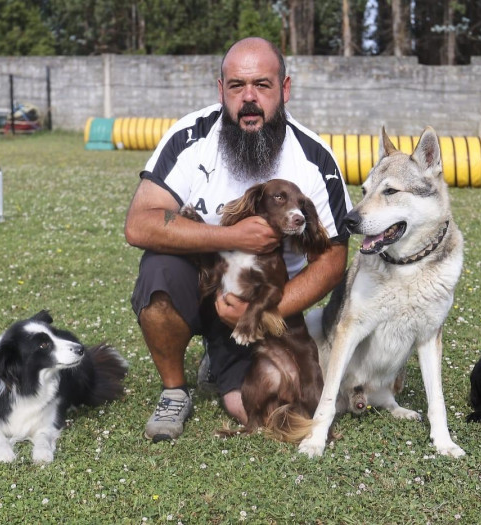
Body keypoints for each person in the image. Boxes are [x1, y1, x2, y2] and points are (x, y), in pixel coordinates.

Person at [124, 37, 353, 442]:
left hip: (267, 299)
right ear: (221, 90)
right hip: (205, 278)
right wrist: (231, 235)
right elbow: (139, 225)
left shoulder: (314, 158)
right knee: (157, 270)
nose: (249, 98)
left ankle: (219, 360)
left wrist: (264, 312)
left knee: (255, 413)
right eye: (237, 86)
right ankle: (175, 391)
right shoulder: (189, 137)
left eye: (262, 85)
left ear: (284, 89)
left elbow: (333, 259)